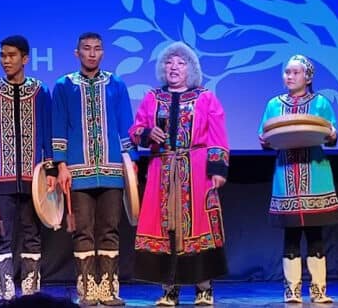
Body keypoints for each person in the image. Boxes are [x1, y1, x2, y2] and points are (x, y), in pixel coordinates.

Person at [129, 41, 229, 306]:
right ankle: (169, 289)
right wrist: (148, 133)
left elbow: (217, 135)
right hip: (161, 168)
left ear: (191, 68)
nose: (174, 67)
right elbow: (135, 131)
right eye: (169, 62)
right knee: (166, 229)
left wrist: (218, 169)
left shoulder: (205, 97)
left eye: (181, 62)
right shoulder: (152, 97)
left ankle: (204, 288)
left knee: (198, 226)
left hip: (196, 169)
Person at [51, 32, 136, 306]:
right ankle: (87, 290)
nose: (91, 53)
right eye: (86, 48)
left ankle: (108, 289)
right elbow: (59, 127)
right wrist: (61, 165)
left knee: (110, 229)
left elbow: (126, 125)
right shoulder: (64, 85)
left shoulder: (116, 84)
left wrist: (131, 160)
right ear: (77, 53)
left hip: (112, 170)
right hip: (77, 171)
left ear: (103, 53)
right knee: (83, 230)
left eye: (97, 48)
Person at [258, 55, 338, 303]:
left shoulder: (320, 102)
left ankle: (319, 289)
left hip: (315, 174)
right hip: (286, 175)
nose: (290, 76)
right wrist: (265, 140)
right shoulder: (274, 104)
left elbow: (330, 134)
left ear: (308, 77)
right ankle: (292, 289)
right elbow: (265, 135)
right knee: (291, 235)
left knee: (316, 234)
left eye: (295, 72)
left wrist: (331, 133)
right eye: (287, 72)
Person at [0, 35, 56, 302]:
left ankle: (31, 295)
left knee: (32, 234)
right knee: (2, 235)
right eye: (2, 55)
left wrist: (50, 170)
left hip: (34, 178)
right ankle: (5, 295)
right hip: (1, 176)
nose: (6, 60)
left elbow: (47, 133)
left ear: (25, 59)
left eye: (11, 55)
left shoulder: (40, 91)